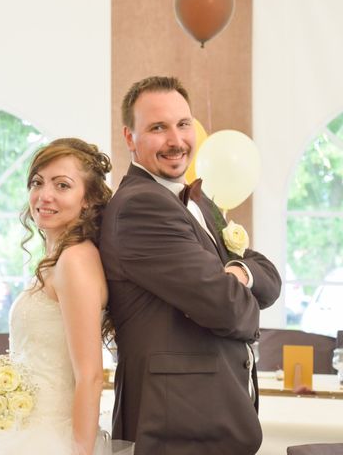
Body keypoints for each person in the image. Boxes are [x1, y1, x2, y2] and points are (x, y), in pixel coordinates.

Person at [0, 138, 133, 455]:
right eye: (38, 182)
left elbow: (90, 375)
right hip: (22, 429)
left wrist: (80, 452)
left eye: (62, 185)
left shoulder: (75, 260)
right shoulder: (58, 258)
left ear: (88, 199)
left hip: (50, 437)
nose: (45, 195)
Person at [99, 76, 281, 455]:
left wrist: (240, 272)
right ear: (130, 138)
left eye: (183, 124)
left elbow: (270, 277)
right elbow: (230, 310)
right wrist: (235, 283)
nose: (176, 140)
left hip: (207, 418)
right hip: (177, 426)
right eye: (157, 128)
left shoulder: (193, 199)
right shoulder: (141, 206)